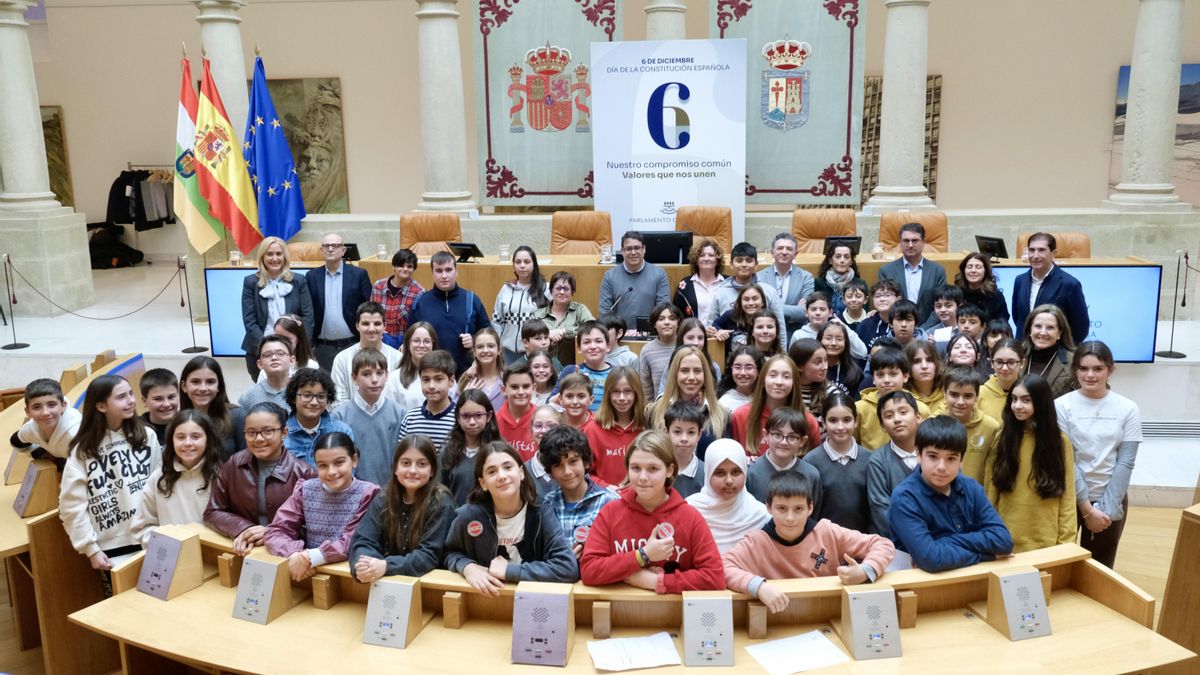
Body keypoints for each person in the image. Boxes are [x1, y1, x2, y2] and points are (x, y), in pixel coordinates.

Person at [723, 472, 894, 611]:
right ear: (768, 507)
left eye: (798, 509)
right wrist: (758, 586)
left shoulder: (826, 531)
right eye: (782, 508)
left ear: (810, 508)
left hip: (828, 613)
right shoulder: (756, 542)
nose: (790, 518)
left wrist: (866, 570)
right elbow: (723, 566)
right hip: (778, 618)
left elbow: (883, 544)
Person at [580, 430, 724, 592]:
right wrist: (642, 555)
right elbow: (589, 570)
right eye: (635, 468)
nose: (642, 477)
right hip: (621, 612)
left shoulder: (690, 517)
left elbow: (714, 578)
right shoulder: (609, 513)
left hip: (674, 614)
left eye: (653, 469)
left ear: (669, 470)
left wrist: (657, 582)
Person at [444, 442, 579, 595]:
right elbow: (450, 553)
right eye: (492, 471)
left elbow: (567, 567)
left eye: (508, 467)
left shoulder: (541, 512)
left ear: (521, 473)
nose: (502, 476)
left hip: (531, 601)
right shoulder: (468, 515)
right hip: (484, 601)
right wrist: (467, 567)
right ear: (483, 483)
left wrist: (510, 571)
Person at [59, 375, 161, 572]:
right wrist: (90, 549)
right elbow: (71, 505)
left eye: (131, 394)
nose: (131, 400)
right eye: (121, 396)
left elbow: (159, 486)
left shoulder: (147, 436)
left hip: (150, 536)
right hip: (109, 547)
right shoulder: (83, 449)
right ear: (100, 406)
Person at [888, 416, 1013, 572]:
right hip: (921, 587)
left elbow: (1003, 541)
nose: (941, 467)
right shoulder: (904, 498)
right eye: (933, 456)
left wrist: (943, 542)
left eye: (951, 458)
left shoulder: (972, 488)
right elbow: (931, 559)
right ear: (919, 455)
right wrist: (987, 555)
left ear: (961, 461)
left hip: (972, 579)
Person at [1056, 341, 1142, 568]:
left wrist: (1107, 508)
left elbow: (1126, 461)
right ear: (1075, 370)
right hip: (1069, 498)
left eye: (1098, 368)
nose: (1090, 375)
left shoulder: (1128, 408)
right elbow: (1066, 460)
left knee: (1100, 568)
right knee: (1060, 562)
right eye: (1083, 368)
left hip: (1110, 499)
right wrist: (1086, 508)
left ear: (1110, 370)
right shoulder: (1061, 406)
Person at [264, 432, 379, 581]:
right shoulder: (305, 489)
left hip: (352, 576)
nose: (331, 472)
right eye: (323, 465)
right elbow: (276, 530)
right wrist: (294, 555)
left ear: (354, 460)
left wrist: (309, 557)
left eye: (339, 463)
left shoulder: (368, 494)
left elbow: (353, 540)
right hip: (309, 573)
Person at [205, 402, 315, 556]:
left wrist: (271, 532)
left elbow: (314, 528)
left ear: (284, 433)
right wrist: (245, 528)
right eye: (251, 432)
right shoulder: (233, 464)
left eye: (267, 431)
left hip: (285, 556)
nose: (258, 439)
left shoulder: (304, 473)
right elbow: (213, 511)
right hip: (243, 551)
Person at [985, 374, 1077, 552]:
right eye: (1014, 399)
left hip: (1045, 541)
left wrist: (1066, 544)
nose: (1017, 406)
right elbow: (991, 489)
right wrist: (989, 532)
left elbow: (1067, 497)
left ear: (1041, 402)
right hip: (1006, 537)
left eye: (1025, 400)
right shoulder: (1003, 438)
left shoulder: (1060, 442)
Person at [349, 435, 456, 582]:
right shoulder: (384, 497)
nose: (412, 470)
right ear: (395, 468)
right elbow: (363, 540)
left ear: (432, 470)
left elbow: (430, 555)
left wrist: (387, 566)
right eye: (406, 463)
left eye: (422, 464)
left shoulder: (442, 502)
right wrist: (364, 565)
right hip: (384, 581)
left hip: (430, 585)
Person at [131, 409, 223, 545]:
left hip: (214, 556)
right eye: (180, 437)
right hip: (172, 558)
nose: (187, 443)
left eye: (196, 437)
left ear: (208, 439)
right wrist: (169, 543)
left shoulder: (222, 477)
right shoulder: (158, 479)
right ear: (171, 440)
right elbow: (141, 527)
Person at [538, 425, 618, 561]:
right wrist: (563, 560)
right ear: (550, 471)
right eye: (558, 465)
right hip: (559, 578)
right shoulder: (547, 504)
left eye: (573, 462)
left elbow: (618, 551)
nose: (567, 471)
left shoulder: (610, 502)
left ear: (586, 462)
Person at [408, 251, 492, 376]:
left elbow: (489, 334)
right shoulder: (420, 302)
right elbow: (410, 338)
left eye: (448, 270)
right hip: (431, 374)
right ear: (432, 273)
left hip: (466, 375)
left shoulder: (472, 299)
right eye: (439, 270)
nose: (444, 275)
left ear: (456, 271)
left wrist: (474, 340)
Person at [241, 236, 314, 379]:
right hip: (260, 348)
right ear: (262, 257)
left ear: (285, 257)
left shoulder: (299, 280)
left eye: (279, 254)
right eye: (269, 254)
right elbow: (249, 320)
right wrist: (265, 348)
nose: (275, 258)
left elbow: (308, 317)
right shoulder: (250, 282)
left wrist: (300, 346)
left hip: (294, 351)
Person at [333, 349, 406, 487]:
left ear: (387, 375)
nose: (374, 380)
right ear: (354, 378)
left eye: (379, 373)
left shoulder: (400, 413)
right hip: (353, 493)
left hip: (391, 492)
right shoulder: (340, 415)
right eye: (366, 374)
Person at [685, 439, 771, 554]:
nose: (729, 481)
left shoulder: (760, 515)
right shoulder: (690, 510)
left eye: (736, 472)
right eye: (720, 473)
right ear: (708, 473)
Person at [803, 392, 873, 532]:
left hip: (863, 542)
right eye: (833, 420)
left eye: (847, 420)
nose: (840, 427)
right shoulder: (811, 462)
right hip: (823, 542)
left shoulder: (870, 460)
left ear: (856, 421)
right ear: (823, 422)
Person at [647, 346, 729, 460]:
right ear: (675, 374)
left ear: (705, 375)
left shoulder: (722, 415)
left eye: (697, 371)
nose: (691, 377)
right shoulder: (654, 411)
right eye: (684, 371)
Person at [307, 232, 372, 372]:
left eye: (335, 246)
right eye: (326, 246)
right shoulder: (311, 276)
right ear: (321, 250)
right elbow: (308, 310)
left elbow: (368, 308)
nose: (330, 249)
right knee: (327, 389)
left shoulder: (359, 275)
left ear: (343, 250)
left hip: (352, 344)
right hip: (323, 348)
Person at [1012, 233, 1090, 342]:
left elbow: (1081, 328)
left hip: (1055, 353)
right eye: (1031, 250)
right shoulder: (1020, 280)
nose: (1035, 255)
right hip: (1024, 350)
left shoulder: (1070, 284)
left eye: (1041, 250)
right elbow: (1018, 318)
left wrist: (1063, 351)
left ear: (1053, 253)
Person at [866, 390, 923, 538]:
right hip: (895, 544)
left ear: (918, 417)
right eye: (889, 416)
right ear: (883, 426)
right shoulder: (878, 461)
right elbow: (881, 511)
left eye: (903, 412)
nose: (897, 419)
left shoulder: (934, 455)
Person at [708, 242, 787, 348]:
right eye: (739, 261)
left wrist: (782, 356)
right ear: (731, 264)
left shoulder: (769, 291)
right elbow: (711, 326)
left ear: (756, 265)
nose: (744, 264)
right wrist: (715, 331)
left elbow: (780, 328)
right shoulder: (721, 292)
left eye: (749, 261)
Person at [744, 407, 823, 512]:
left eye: (792, 437)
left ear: (802, 441)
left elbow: (814, 514)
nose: (784, 442)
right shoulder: (751, 472)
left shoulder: (811, 475)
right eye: (777, 435)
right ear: (766, 435)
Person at [935, 366, 1000, 483]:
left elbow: (993, 471)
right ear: (944, 393)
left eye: (968, 396)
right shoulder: (932, 424)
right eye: (954, 395)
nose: (960, 402)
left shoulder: (990, 427)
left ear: (977, 397)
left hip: (976, 498)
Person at [583, 367, 646, 487]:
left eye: (627, 391)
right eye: (616, 391)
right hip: (605, 498)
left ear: (636, 393)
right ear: (608, 394)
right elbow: (585, 473)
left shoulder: (646, 426)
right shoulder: (593, 429)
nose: (622, 398)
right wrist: (607, 487)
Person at [330, 302, 402, 406]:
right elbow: (338, 401)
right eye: (366, 324)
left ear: (384, 326)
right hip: (350, 421)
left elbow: (400, 399)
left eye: (377, 324)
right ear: (357, 326)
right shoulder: (342, 359)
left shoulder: (398, 359)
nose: (372, 329)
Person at [876, 222, 947, 326]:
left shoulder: (937, 271)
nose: (910, 245)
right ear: (900, 242)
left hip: (929, 331)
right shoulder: (886, 271)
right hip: (897, 329)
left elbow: (941, 306)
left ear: (923, 242)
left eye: (915, 241)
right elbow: (885, 305)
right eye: (905, 241)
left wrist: (923, 330)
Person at [283, 368, 353, 468]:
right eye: (307, 395)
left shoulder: (341, 431)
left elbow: (349, 473)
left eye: (321, 396)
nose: (314, 402)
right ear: (294, 398)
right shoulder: (282, 434)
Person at [599, 231, 670, 329]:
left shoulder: (659, 274)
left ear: (644, 249)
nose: (633, 252)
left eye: (637, 248)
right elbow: (605, 312)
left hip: (650, 335)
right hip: (619, 335)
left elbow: (663, 310)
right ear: (622, 251)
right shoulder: (610, 276)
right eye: (628, 249)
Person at [441, 389, 500, 505]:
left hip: (490, 518)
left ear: (488, 416)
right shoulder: (448, 452)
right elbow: (440, 492)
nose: (472, 422)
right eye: (466, 416)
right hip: (455, 519)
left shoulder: (499, 451)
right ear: (458, 418)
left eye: (478, 415)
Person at [179, 356, 246, 459]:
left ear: (219, 386)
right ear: (184, 386)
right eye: (195, 382)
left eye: (210, 382)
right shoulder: (178, 420)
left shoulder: (237, 416)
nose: (203, 388)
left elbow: (248, 462)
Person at [494, 245, 550, 364]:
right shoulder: (506, 288)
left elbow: (553, 318)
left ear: (534, 265)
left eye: (527, 261)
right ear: (514, 265)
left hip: (536, 353)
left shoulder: (546, 289)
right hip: (508, 352)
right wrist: (497, 344)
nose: (522, 265)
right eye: (518, 262)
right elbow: (496, 320)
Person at [756, 232, 816, 340]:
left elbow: (805, 313)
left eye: (789, 249)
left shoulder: (806, 277)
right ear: (772, 252)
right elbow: (757, 310)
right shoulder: (759, 277)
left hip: (795, 330)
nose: (784, 252)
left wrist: (770, 306)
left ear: (795, 254)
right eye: (780, 248)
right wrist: (794, 309)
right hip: (766, 330)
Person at [397, 350, 459, 450]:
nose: (431, 386)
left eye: (438, 379)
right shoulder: (410, 419)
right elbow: (402, 455)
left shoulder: (460, 418)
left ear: (451, 381)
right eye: (426, 380)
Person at [384, 321, 452, 410]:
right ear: (408, 344)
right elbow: (390, 412)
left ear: (433, 344)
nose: (421, 345)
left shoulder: (445, 375)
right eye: (416, 341)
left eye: (427, 341)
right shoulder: (395, 378)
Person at [10, 378, 81, 460]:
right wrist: (39, 452)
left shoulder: (76, 434)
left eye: (51, 405)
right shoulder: (31, 429)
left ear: (63, 405)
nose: (45, 413)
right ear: (28, 411)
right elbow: (15, 442)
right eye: (37, 407)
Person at [535, 270, 595, 367]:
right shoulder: (538, 314)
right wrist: (546, 335)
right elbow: (530, 338)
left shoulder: (580, 310)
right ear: (551, 291)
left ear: (572, 292)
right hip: (544, 369)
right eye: (558, 288)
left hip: (573, 368)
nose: (562, 292)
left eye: (566, 289)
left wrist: (564, 332)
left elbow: (592, 327)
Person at [790, 292, 867, 361]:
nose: (818, 313)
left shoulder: (838, 332)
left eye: (822, 309)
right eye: (813, 309)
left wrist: (845, 327)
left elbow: (862, 353)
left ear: (830, 313)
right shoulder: (799, 335)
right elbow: (792, 362)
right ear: (806, 313)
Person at [370, 247, 423, 348]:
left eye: (409, 266)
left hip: (405, 341)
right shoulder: (378, 286)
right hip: (380, 336)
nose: (405, 269)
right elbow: (371, 313)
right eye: (401, 265)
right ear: (393, 267)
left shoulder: (419, 292)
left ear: (413, 269)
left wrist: (407, 343)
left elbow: (418, 324)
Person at [1022, 304, 1077, 398]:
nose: (1043, 333)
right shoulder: (1016, 356)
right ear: (1029, 330)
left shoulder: (1074, 361)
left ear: (1059, 333)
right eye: (1038, 326)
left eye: (1050, 327)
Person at [557, 320, 612, 413]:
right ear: (579, 348)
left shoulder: (616, 374)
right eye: (587, 342)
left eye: (598, 341)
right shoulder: (570, 371)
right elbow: (551, 403)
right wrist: (571, 383)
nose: (593, 346)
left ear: (608, 346)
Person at [673, 238, 726, 324]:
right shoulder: (684, 285)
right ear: (696, 260)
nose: (706, 258)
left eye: (711, 255)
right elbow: (676, 315)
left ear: (717, 260)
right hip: (694, 335)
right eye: (702, 255)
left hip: (724, 334)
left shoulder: (728, 283)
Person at [237, 335, 295, 410]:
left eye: (280, 354)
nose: (274, 358)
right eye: (267, 355)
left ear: (292, 360)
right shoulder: (249, 396)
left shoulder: (301, 391)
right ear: (260, 364)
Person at [638, 302, 682, 400]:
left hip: (686, 410)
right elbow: (646, 389)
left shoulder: (685, 345)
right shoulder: (647, 350)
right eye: (661, 319)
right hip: (658, 410)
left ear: (678, 322)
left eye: (672, 318)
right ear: (654, 324)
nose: (667, 322)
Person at [495, 363, 538, 460]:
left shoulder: (542, 419)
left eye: (526, 386)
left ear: (534, 388)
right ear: (503, 390)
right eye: (514, 387)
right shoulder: (494, 421)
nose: (521, 392)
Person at [978, 337, 1025, 422]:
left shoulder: (1030, 392)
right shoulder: (979, 394)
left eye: (1011, 362)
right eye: (999, 362)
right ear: (992, 363)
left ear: (1022, 363)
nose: (1004, 368)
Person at [954, 252, 1010, 324]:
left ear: (985, 271)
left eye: (978, 267)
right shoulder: (956, 294)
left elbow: (1002, 324)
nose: (973, 270)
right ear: (964, 270)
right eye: (969, 267)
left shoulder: (995, 296)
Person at [458, 326, 505, 410]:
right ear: (474, 352)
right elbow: (457, 412)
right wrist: (465, 397)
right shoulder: (467, 380)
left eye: (491, 346)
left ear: (499, 350)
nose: (485, 350)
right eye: (480, 347)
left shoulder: (507, 379)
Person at [665, 401, 706, 498]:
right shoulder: (658, 469)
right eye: (677, 432)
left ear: (699, 434)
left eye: (691, 432)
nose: (684, 438)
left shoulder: (707, 473)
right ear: (667, 432)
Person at [812, 239, 862, 316]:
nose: (842, 260)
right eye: (838, 257)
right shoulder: (819, 283)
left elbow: (864, 313)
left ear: (851, 261)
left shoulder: (860, 283)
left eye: (846, 257)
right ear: (830, 260)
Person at [525, 405, 564, 497]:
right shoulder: (525, 471)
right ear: (531, 430)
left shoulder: (571, 464)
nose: (543, 430)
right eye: (538, 426)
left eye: (551, 426)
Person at [820, 323, 864, 398]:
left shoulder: (855, 372)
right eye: (828, 338)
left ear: (845, 342)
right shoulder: (813, 370)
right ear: (819, 340)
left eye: (839, 339)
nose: (833, 343)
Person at [138, 368, 179, 446]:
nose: (166, 404)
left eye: (171, 397)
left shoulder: (190, 422)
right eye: (158, 399)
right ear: (144, 401)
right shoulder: (137, 429)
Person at [855, 279, 901, 347]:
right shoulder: (864, 325)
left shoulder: (903, 323)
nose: (882, 299)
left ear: (898, 299)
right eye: (877, 296)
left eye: (887, 295)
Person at [717, 345, 762, 414]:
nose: (742, 373)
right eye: (737, 367)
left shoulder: (765, 398)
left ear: (759, 371)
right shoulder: (724, 403)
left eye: (749, 368)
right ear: (731, 369)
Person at [905, 340, 945, 411]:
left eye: (929, 360)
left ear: (936, 364)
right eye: (917, 361)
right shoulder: (902, 398)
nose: (924, 366)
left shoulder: (949, 394)